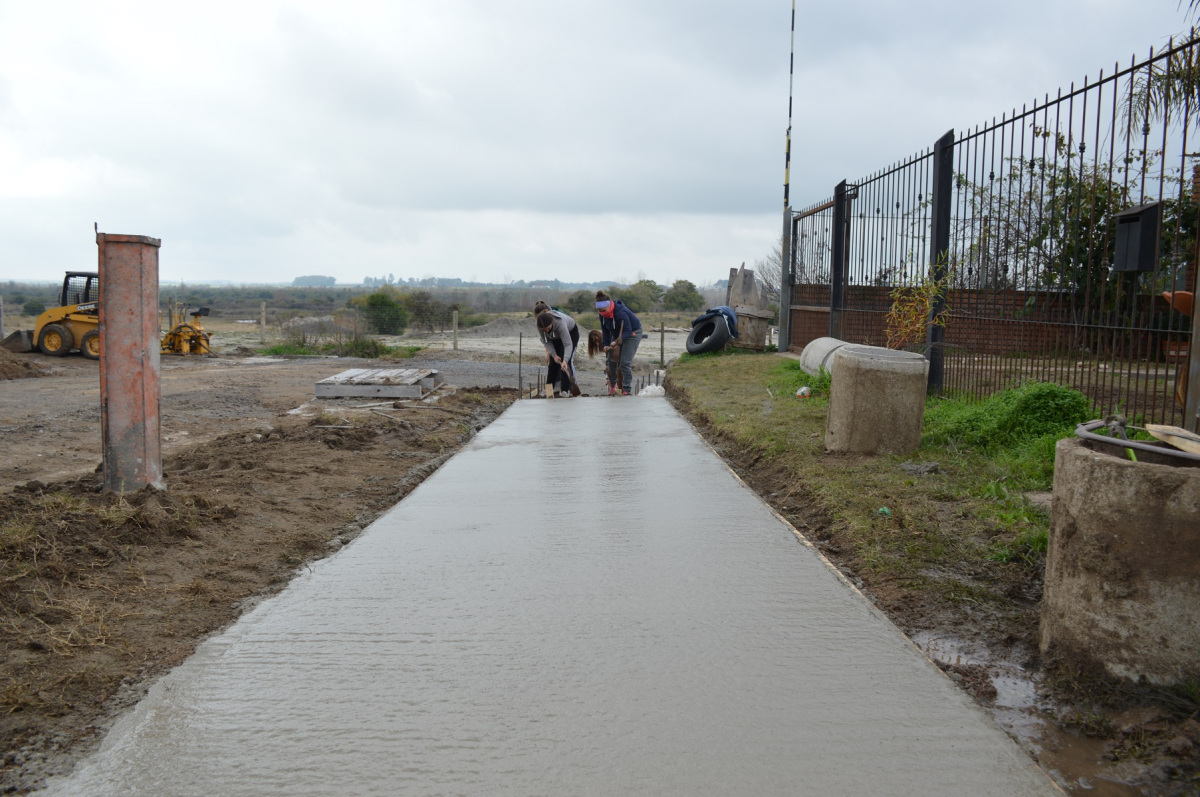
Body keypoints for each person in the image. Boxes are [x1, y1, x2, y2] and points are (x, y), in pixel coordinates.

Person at [595, 290, 642, 396]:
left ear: (609, 306)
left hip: (632, 332)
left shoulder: (620, 312)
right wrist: (606, 344)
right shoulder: (602, 314)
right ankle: (612, 385)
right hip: (617, 333)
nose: (602, 313)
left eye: (603, 310)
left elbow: (628, 330)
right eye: (600, 311)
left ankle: (626, 389)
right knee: (611, 360)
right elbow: (605, 330)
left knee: (624, 362)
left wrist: (616, 342)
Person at [535, 306, 579, 398]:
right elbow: (546, 341)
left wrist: (565, 360)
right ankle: (548, 389)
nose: (546, 330)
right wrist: (554, 355)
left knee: (564, 361)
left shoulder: (560, 323)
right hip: (554, 336)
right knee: (553, 362)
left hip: (570, 333)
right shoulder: (540, 326)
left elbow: (567, 344)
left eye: (548, 328)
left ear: (551, 322)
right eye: (544, 330)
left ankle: (565, 390)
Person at [587, 329, 622, 395]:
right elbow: (607, 357)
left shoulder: (607, 340)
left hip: (616, 355)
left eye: (597, 341)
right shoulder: (602, 343)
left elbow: (611, 357)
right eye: (595, 342)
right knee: (609, 370)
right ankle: (614, 388)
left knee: (615, 370)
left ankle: (617, 388)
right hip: (612, 356)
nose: (597, 343)